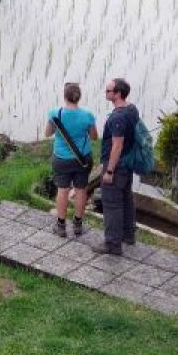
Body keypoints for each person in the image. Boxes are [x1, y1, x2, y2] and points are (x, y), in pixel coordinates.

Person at [44, 83, 99, 237]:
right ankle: (77, 225)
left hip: (61, 158)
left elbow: (47, 133)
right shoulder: (87, 116)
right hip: (82, 159)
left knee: (63, 190)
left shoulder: (55, 113)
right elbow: (94, 137)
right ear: (79, 97)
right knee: (81, 190)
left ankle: (61, 226)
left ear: (64, 96)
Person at [95, 78, 140, 255]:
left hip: (117, 166)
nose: (106, 93)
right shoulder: (132, 109)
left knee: (112, 204)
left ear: (118, 93)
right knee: (126, 199)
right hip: (127, 164)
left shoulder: (118, 117)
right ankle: (128, 236)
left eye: (108, 91)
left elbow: (117, 145)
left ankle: (112, 244)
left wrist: (109, 171)